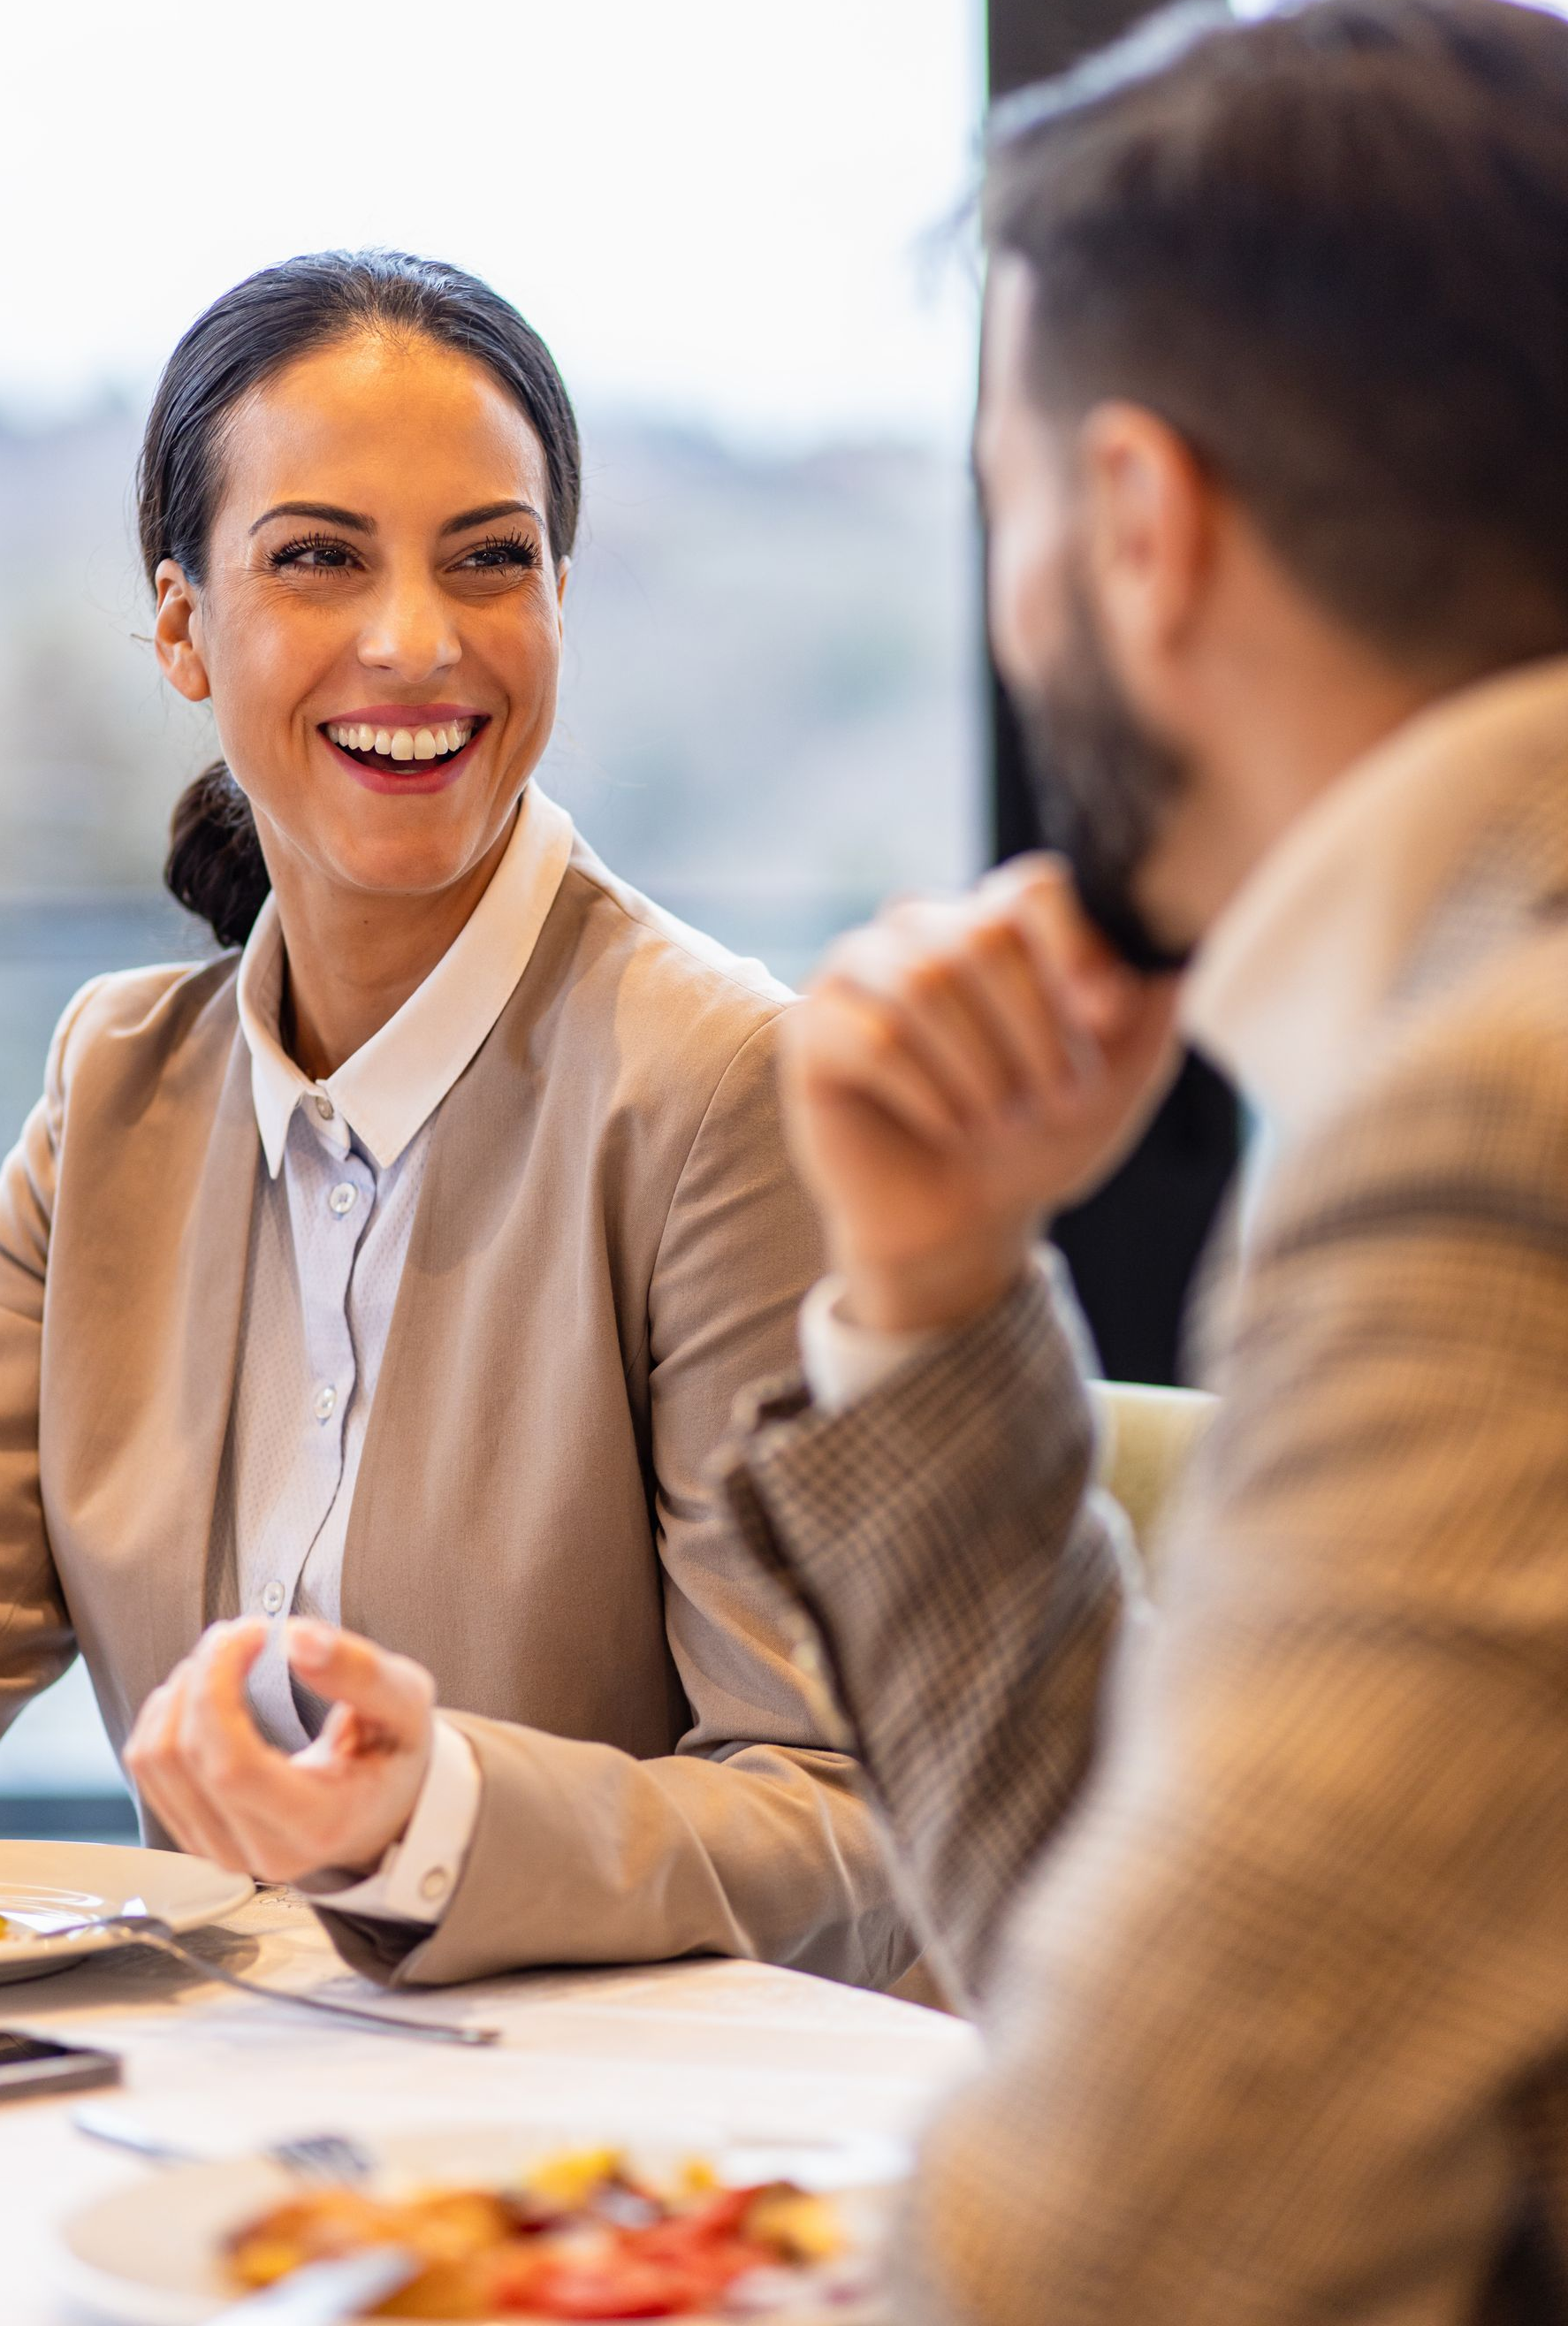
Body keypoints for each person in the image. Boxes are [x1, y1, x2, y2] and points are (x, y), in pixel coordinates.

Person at [720, 1, 1568, 2315]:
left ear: (1133, 520)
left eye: (1003, 497)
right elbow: (1187, 1996)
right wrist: (933, 1287)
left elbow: (1112, 2245)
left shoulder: (1495, 1121)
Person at [0, 250, 913, 1995]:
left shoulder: (723, 1089)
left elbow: (847, 1818)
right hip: (206, 2124)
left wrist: (428, 1816)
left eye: (490, 560)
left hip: (626, 2158)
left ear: (561, 602)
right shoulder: (113, 1088)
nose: (417, 639)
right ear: (184, 627)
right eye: (318, 558)